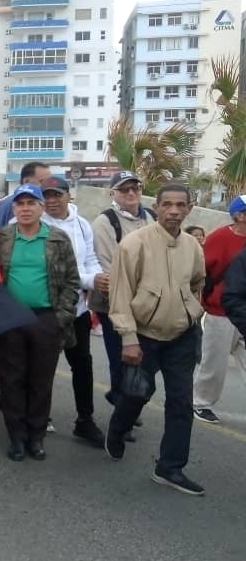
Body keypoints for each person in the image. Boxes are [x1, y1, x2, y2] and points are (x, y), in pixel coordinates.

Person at [105, 185, 205, 496]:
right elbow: (119, 294)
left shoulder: (193, 246)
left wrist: (191, 311)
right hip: (145, 336)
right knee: (137, 393)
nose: (174, 211)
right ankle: (118, 429)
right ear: (157, 207)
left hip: (182, 337)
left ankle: (170, 467)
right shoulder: (134, 244)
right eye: (167, 205)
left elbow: (198, 282)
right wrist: (129, 338)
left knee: (181, 403)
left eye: (180, 205)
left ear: (189, 208)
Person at [0, 183, 80, 462]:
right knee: (12, 378)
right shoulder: (3, 238)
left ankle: (36, 436)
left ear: (42, 207)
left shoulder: (58, 239)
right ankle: (16, 436)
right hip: (11, 318)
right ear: (14, 208)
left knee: (40, 381)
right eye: (21, 204)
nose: (26, 208)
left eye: (32, 203)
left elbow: (71, 281)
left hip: (46, 317)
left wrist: (61, 317)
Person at [40, 176, 106, 447]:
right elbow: (57, 271)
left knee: (82, 364)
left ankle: (85, 419)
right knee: (43, 366)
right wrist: (90, 280)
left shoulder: (82, 224)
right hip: (44, 308)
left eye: (57, 195)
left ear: (69, 195)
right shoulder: (37, 223)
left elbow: (89, 259)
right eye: (47, 196)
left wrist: (98, 276)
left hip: (76, 309)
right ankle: (39, 416)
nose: (52, 201)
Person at [89, 171, 155, 423]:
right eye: (124, 189)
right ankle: (122, 410)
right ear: (112, 193)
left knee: (141, 359)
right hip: (113, 304)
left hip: (146, 304)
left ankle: (124, 398)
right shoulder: (105, 223)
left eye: (135, 188)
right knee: (122, 357)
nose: (130, 193)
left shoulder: (151, 217)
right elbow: (108, 269)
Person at [191, 196, 246, 424]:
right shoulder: (219, 238)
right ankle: (200, 403)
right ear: (240, 215)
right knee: (214, 363)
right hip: (220, 311)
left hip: (243, 313)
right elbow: (201, 272)